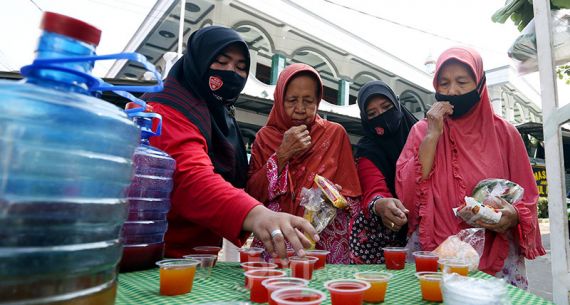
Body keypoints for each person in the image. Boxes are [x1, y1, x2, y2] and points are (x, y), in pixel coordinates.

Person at [143, 26, 317, 260]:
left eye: (240, 67)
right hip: (159, 253)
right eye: (221, 62)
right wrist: (256, 214)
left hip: (201, 255)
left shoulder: (221, 116)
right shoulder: (164, 108)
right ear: (198, 60)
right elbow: (191, 178)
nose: (231, 73)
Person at [396, 46, 545, 288]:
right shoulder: (422, 131)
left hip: (494, 253)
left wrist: (513, 215)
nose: (451, 91)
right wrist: (433, 136)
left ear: (480, 84)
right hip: (433, 251)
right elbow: (407, 194)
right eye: (443, 83)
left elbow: (526, 195)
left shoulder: (504, 134)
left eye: (461, 82)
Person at [246, 63, 361, 263]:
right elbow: (253, 195)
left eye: (308, 101)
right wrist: (282, 154)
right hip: (278, 238)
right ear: (280, 100)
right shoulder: (265, 138)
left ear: (318, 101)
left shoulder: (334, 134)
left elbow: (353, 200)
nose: (300, 109)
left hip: (322, 241)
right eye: (292, 100)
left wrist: (334, 196)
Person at [350, 80, 417, 264]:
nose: (382, 116)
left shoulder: (422, 135)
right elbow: (373, 188)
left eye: (387, 107)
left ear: (397, 104)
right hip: (385, 243)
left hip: (430, 231)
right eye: (372, 114)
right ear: (365, 119)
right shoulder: (368, 150)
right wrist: (381, 204)